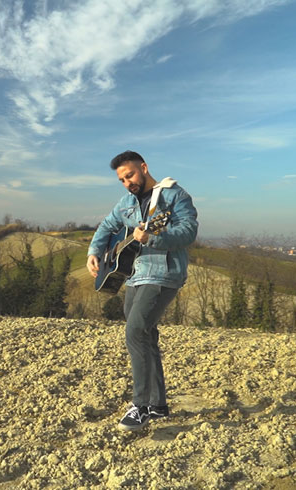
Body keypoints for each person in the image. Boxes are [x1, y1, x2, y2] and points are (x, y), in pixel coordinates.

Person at [86, 150, 198, 432]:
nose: (127, 183)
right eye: (122, 180)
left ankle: (141, 406)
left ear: (144, 168)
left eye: (130, 175)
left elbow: (188, 232)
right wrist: (95, 251)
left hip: (164, 272)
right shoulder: (126, 203)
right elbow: (107, 226)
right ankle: (158, 405)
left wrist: (154, 237)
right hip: (134, 275)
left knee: (135, 330)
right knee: (146, 336)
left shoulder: (174, 196)